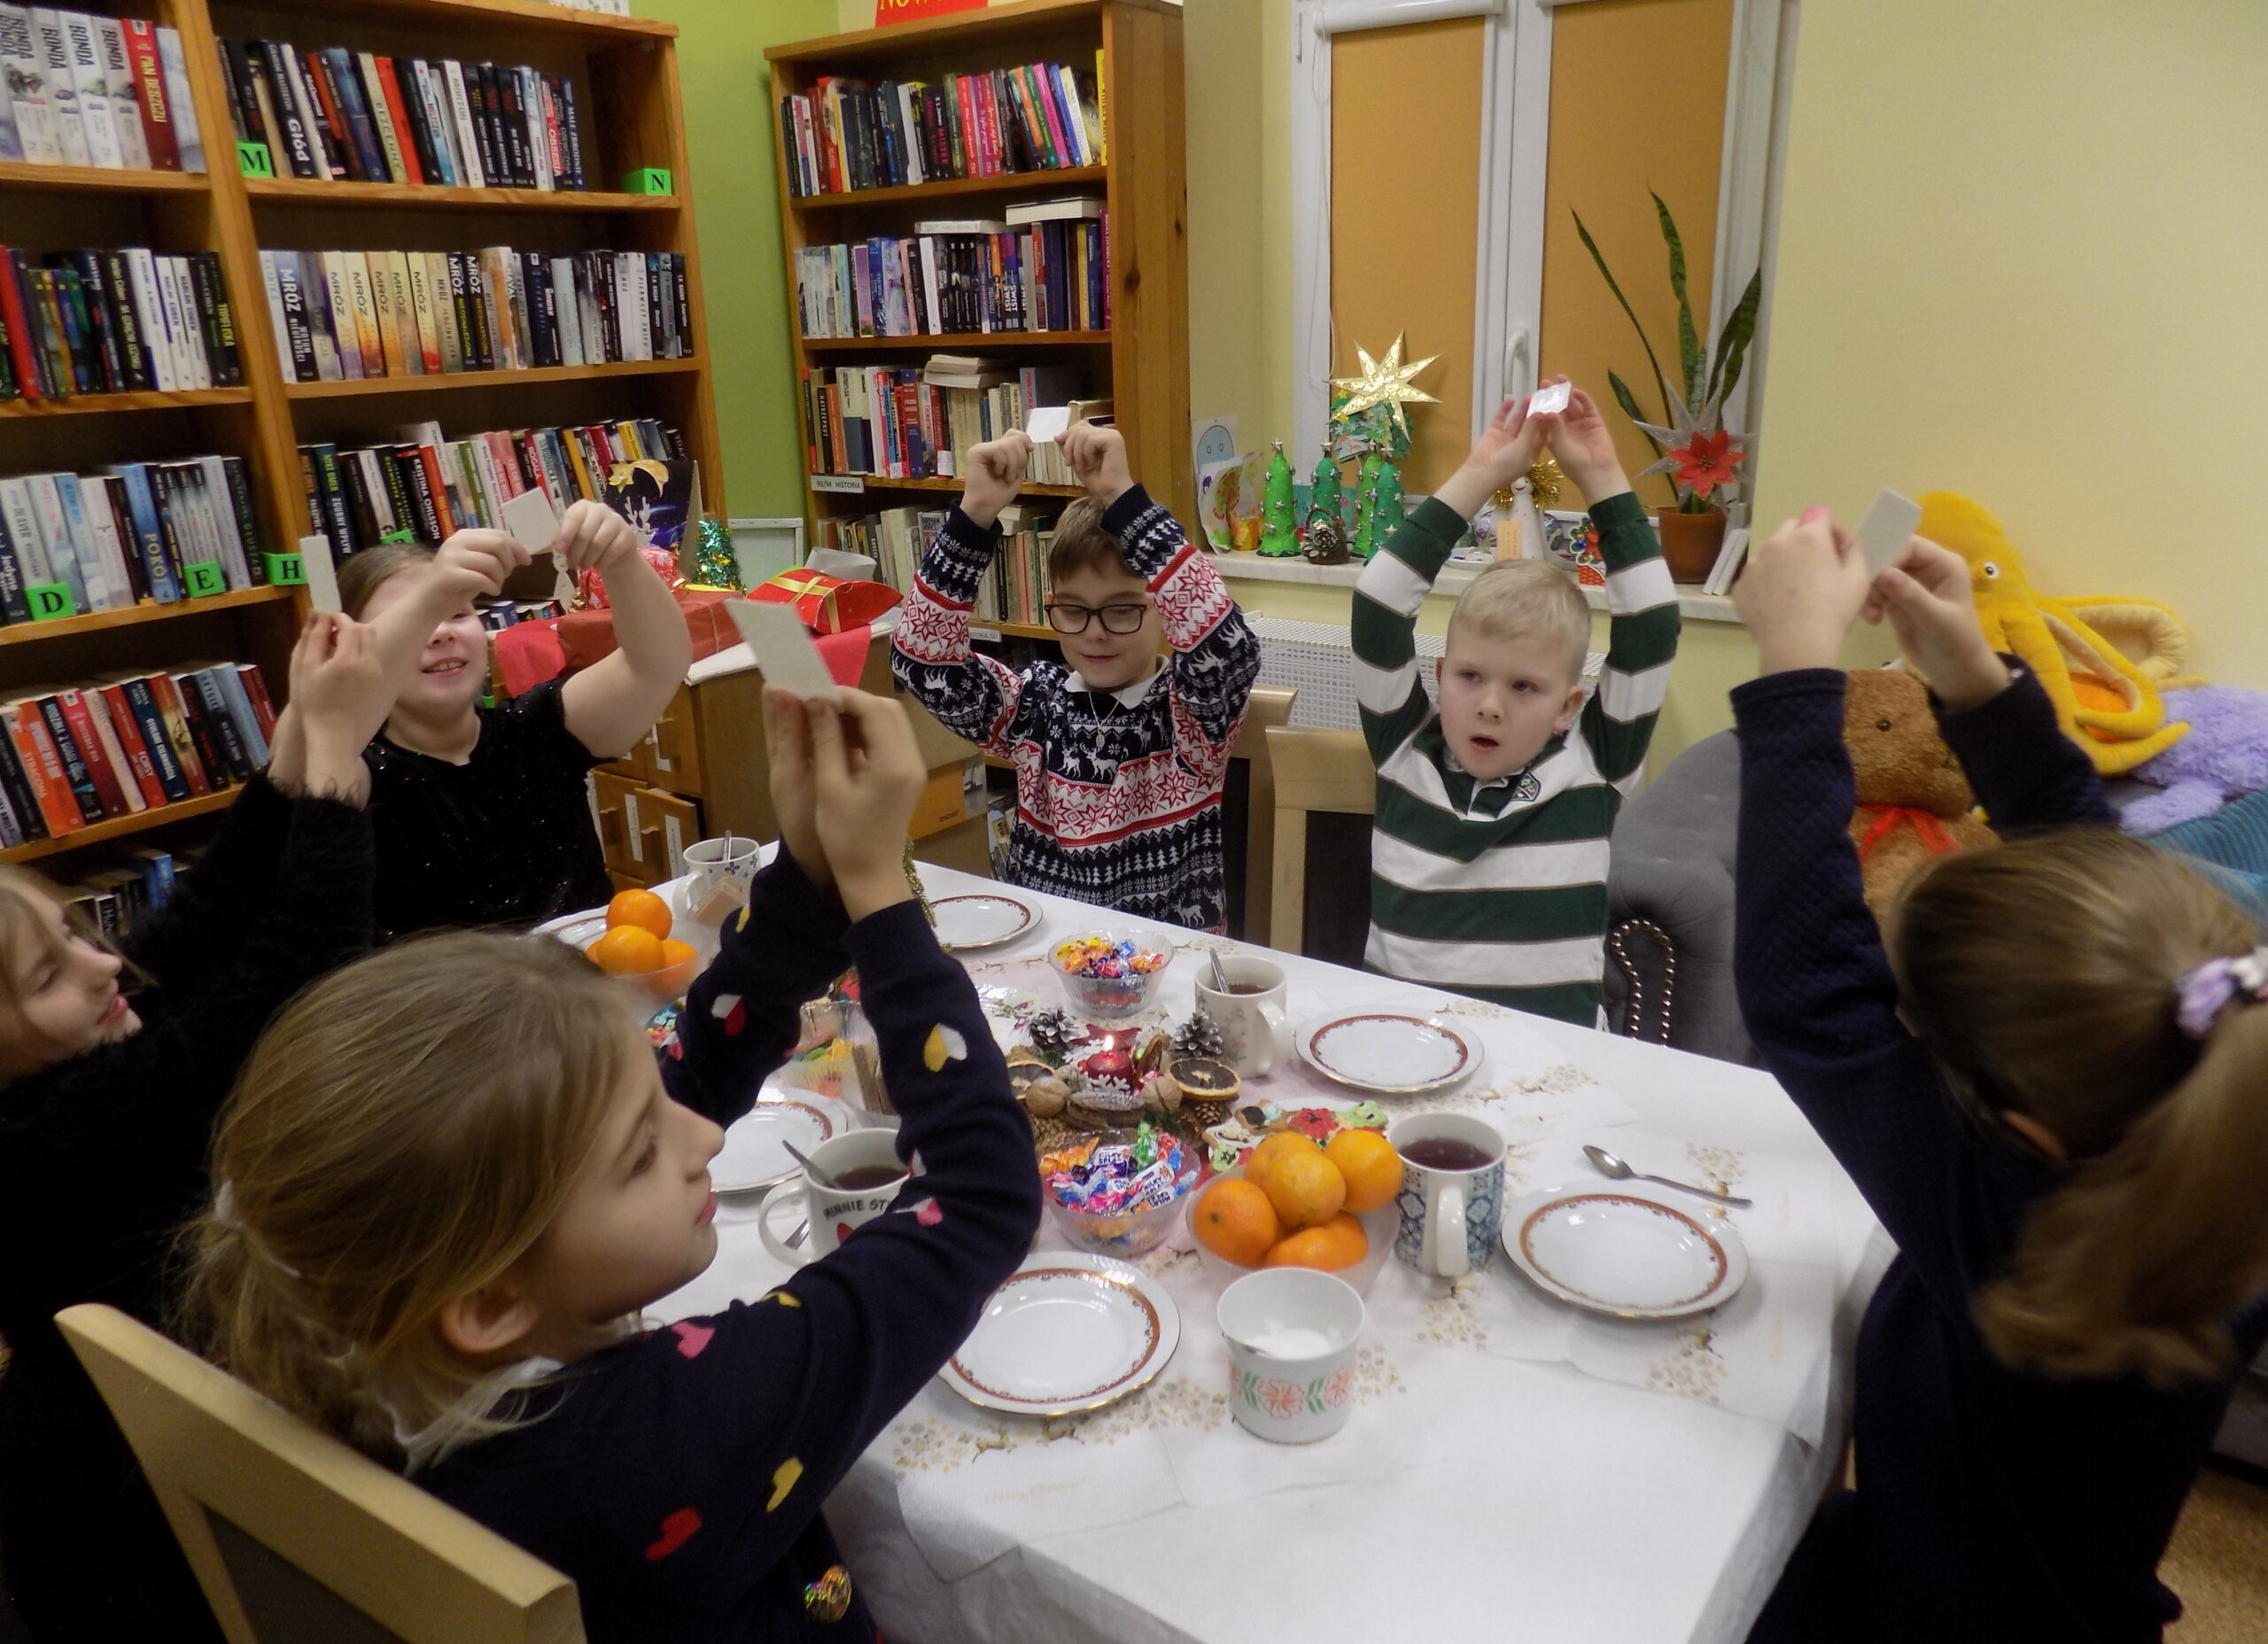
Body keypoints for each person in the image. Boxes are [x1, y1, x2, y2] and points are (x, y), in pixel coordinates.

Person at [182, 686, 1040, 1643]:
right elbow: (979, 1195)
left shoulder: (360, 1338)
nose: (706, 1135)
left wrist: (805, 869)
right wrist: (881, 890)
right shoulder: (653, 1441)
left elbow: (694, 1071)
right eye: (643, 1152)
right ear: (491, 1305)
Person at [1729, 510, 2268, 1642]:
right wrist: (1970, 679)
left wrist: (1793, 679)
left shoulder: (2015, 1230)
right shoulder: (2205, 1120)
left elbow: (1808, 991)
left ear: (2013, 1120)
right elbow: (2097, 874)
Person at [0, 616, 390, 1644]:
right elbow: (294, 965)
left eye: (75, 940)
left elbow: (206, 913)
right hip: (139, 1494)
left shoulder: (65, 1072)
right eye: (49, 976)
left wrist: (300, 735)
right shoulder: (55, 1138)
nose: (103, 967)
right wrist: (339, 771)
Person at [1349, 382, 1679, 1023]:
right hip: (1402, 1050)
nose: (1490, 706)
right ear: (1440, 675)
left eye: (1524, 687)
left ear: (1568, 705)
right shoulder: (1403, 748)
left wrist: (1602, 476)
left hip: (1555, 1071)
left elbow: (1654, 623)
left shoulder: (1593, 761)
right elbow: (1378, 601)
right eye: (1470, 677)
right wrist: (1481, 473)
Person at [890, 421, 1260, 930]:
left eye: (1122, 610)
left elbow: (1228, 648)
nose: (1095, 634)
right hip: (1047, 964)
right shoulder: (1035, 705)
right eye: (1073, 610)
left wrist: (1127, 501)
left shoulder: (1188, 717)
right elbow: (921, 659)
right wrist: (973, 517)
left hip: (1164, 975)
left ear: (1166, 612)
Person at [338, 501, 692, 937]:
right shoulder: (354, 772)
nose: (442, 630)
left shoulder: (534, 729)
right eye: (415, 619)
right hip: (449, 1005)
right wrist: (432, 597)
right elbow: (316, 742)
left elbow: (656, 664)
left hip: (585, 990)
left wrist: (621, 563)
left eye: (457, 612)